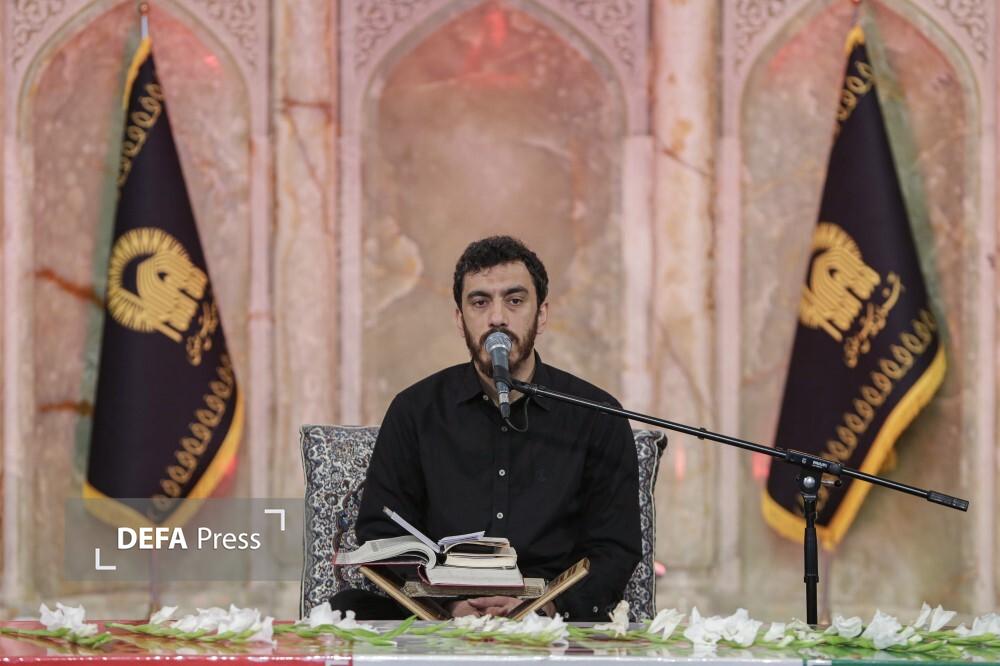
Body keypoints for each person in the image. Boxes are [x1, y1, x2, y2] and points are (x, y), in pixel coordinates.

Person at [333, 236, 641, 620]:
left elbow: (615, 547)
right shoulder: (415, 410)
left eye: (515, 301)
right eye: (480, 302)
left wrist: (545, 608)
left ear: (542, 314)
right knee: (346, 609)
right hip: (441, 618)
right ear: (459, 319)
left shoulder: (596, 415)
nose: (497, 318)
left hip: (551, 620)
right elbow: (380, 530)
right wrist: (448, 606)